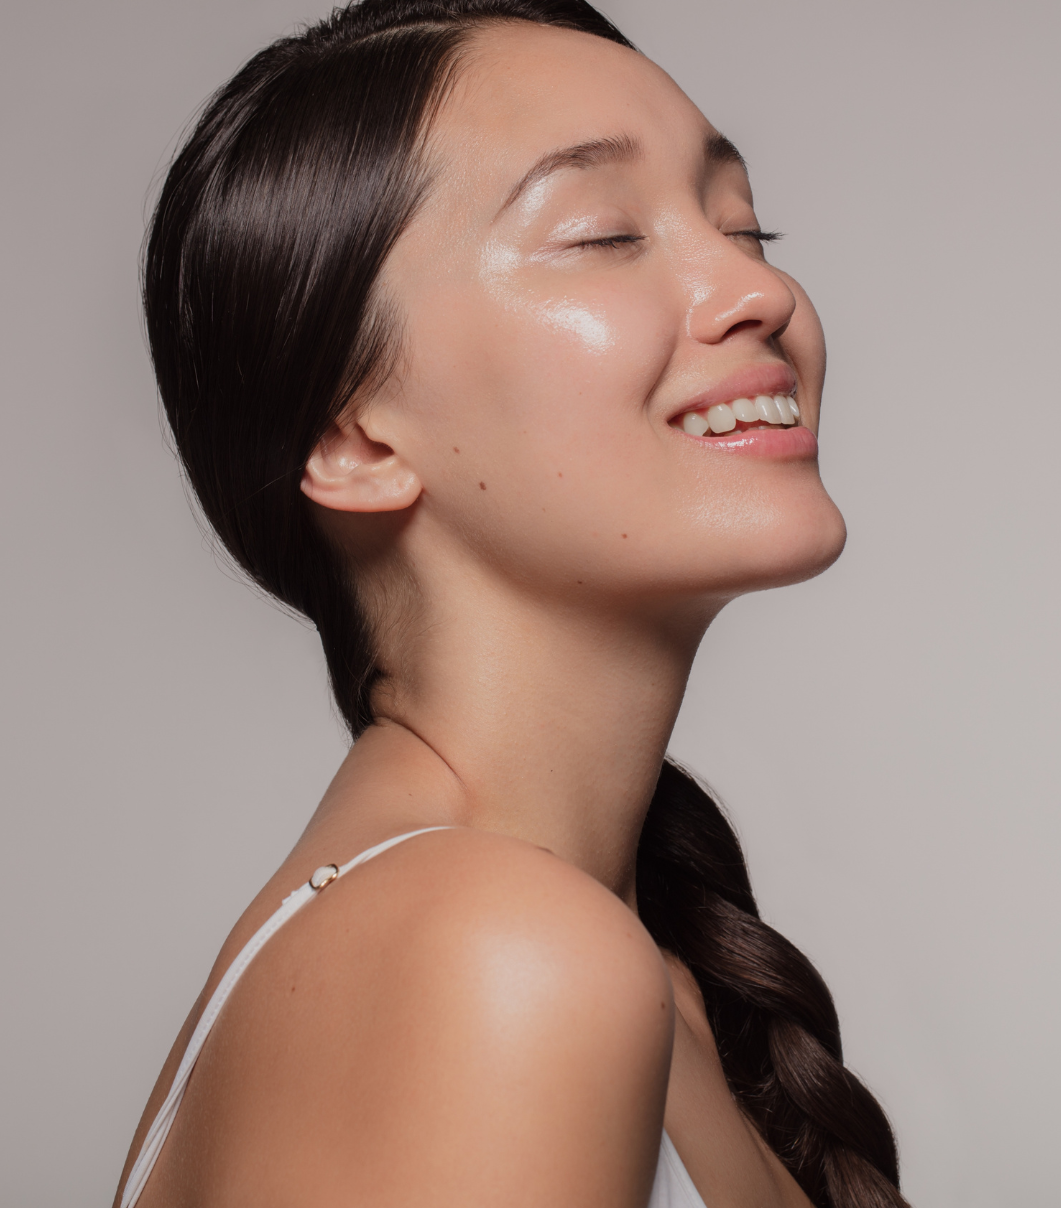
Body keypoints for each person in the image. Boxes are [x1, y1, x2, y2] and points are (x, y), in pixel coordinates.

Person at [115, 2, 908, 1205]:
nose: (753, 286)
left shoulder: (605, 966)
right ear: (354, 435)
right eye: (602, 234)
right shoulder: (490, 957)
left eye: (745, 222)